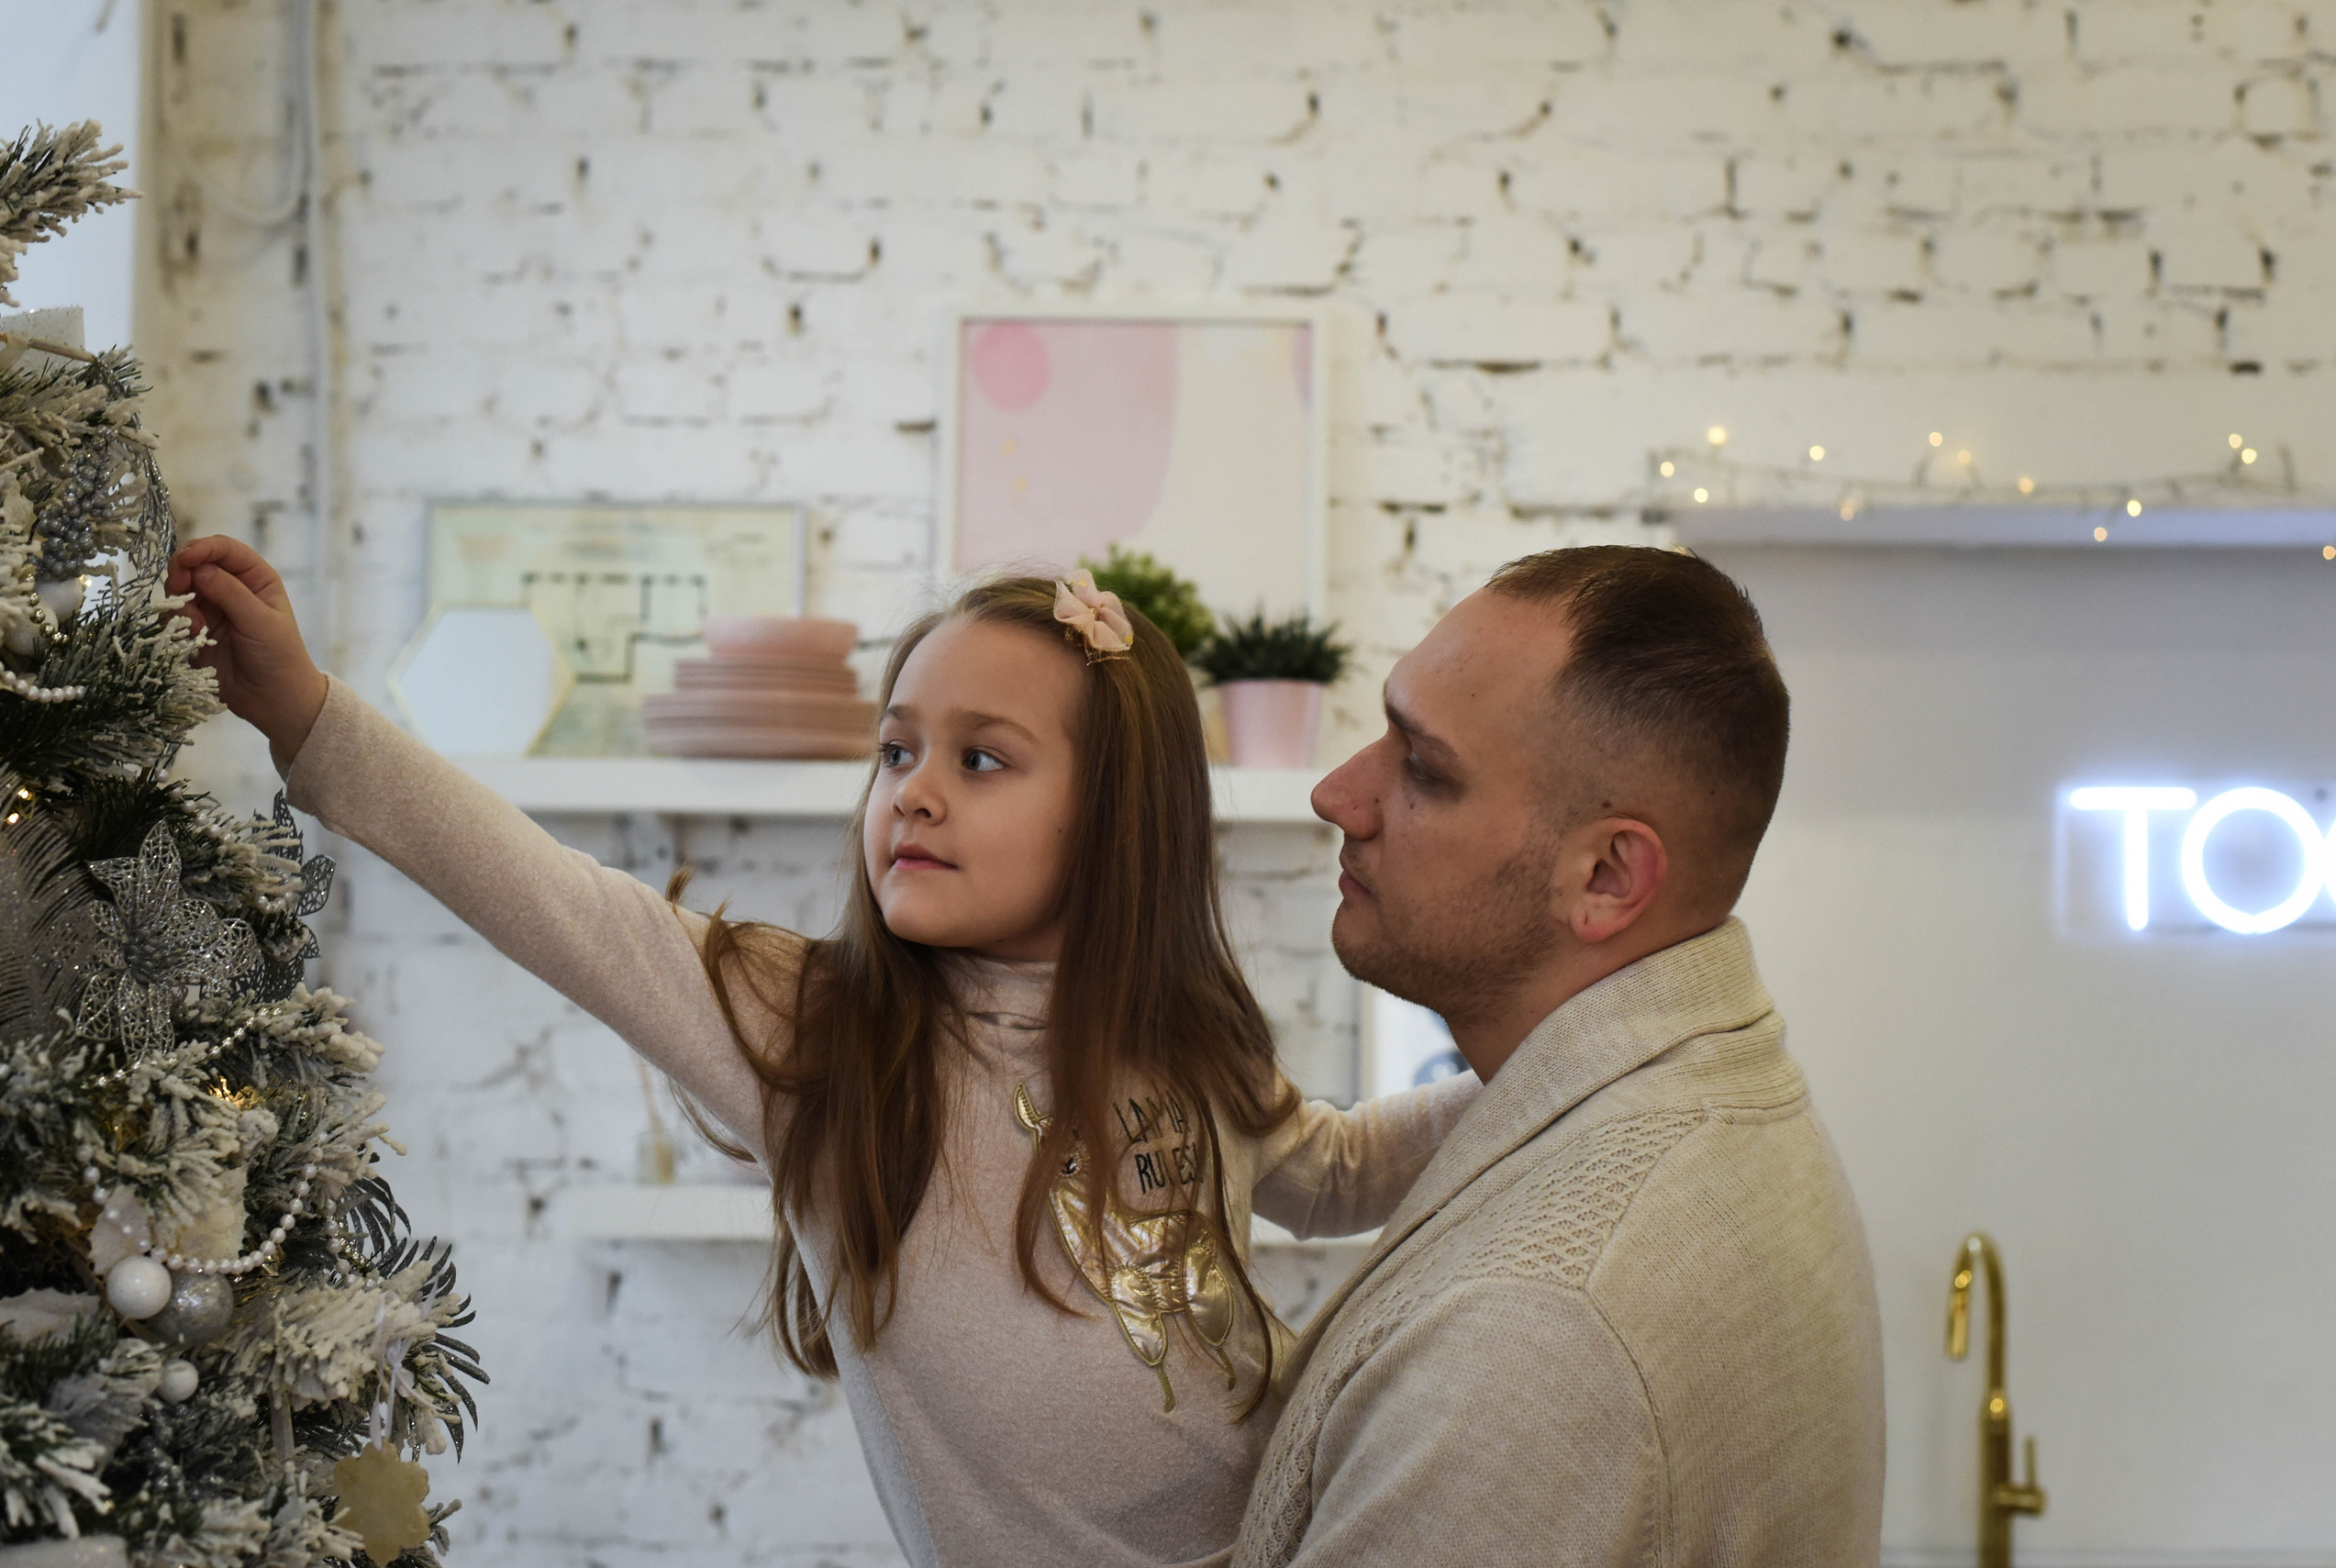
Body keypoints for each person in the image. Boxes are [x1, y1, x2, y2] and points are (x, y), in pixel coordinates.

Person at [165, 537, 1479, 1568]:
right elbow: (552, 900)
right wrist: (309, 714)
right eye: (897, 749)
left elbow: (1343, 1167)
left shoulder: (1181, 1046)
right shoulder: (818, 1033)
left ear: (1116, 819)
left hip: (1323, 1520)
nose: (913, 788)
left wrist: (1560, 1056)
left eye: (980, 758)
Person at [1233, 546, 1885, 1567]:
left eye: (1423, 767)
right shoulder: (1701, 1099)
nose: (1336, 794)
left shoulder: (1543, 1328)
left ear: (1607, 873)